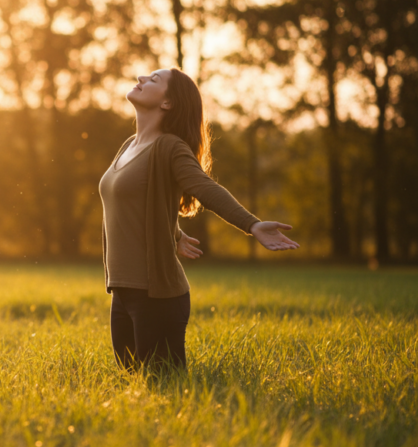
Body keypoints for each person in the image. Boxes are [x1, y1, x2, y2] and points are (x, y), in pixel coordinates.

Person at [98, 67, 299, 375]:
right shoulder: (128, 146)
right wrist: (174, 233)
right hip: (122, 291)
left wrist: (252, 224)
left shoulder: (169, 146)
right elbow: (139, 202)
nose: (141, 79)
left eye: (153, 80)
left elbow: (204, 188)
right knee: (132, 383)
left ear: (167, 103)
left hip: (156, 295)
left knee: (165, 387)